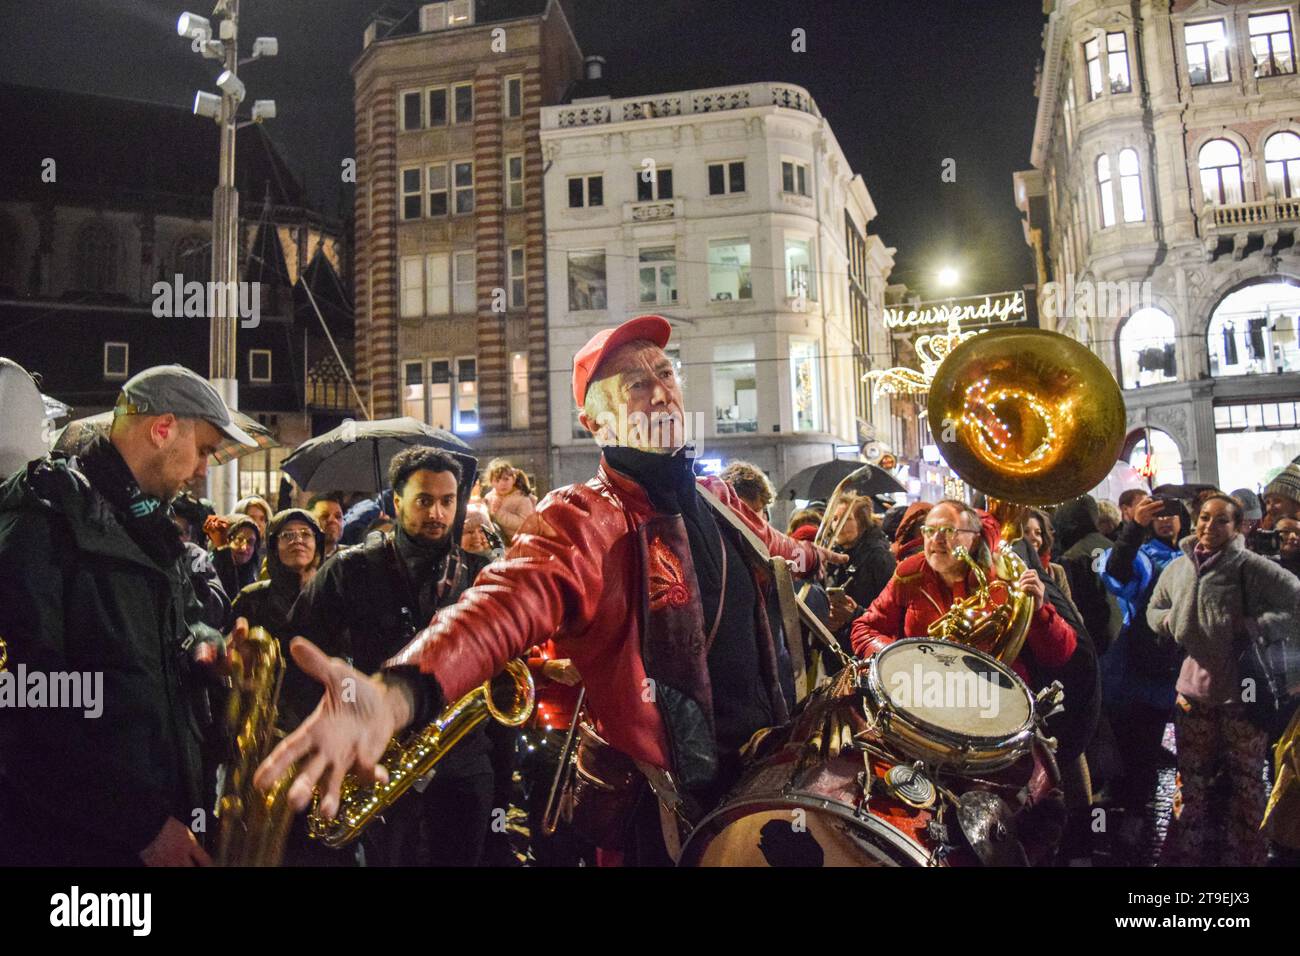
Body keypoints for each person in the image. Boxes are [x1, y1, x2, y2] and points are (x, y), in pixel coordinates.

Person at [256, 314, 841, 866]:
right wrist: (397, 693)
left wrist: (821, 556)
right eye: (635, 384)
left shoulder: (719, 495)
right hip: (673, 818)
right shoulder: (584, 516)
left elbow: (778, 549)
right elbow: (501, 604)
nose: (661, 392)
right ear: (595, 423)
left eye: (666, 373)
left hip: (765, 781)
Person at [0, 364, 258, 866]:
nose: (205, 469)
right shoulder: (40, 521)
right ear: (162, 430)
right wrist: (140, 825)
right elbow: (23, 716)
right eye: (203, 449)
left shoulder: (152, 530)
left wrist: (206, 648)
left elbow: (179, 628)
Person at [284, 445, 495, 867]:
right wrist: (344, 688)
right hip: (381, 760)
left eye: (447, 501)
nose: (437, 513)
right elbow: (300, 642)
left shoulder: (480, 571)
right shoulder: (351, 569)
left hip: (463, 760)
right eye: (424, 500)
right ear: (396, 503)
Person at [1147, 494, 1300, 866]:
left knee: (1247, 782)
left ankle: (1246, 856)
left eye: (1220, 521)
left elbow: (1295, 602)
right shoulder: (1179, 567)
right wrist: (1167, 623)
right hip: (1193, 693)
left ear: (1237, 527)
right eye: (1203, 518)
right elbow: (1155, 607)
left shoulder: (1251, 567)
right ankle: (1187, 854)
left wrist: (1254, 627)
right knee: (1190, 781)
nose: (1208, 527)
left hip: (1241, 696)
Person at [1097, 491, 1187, 862]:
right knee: (1130, 743)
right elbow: (1117, 571)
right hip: (1136, 665)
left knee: (1154, 748)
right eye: (1159, 514)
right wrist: (1133, 529)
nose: (1166, 520)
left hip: (1179, 665)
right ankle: (1125, 815)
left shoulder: (1192, 556)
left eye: (1172, 514)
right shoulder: (1145, 556)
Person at [824, 495, 895, 643]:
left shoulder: (879, 557)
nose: (838, 525)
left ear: (862, 523)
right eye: (835, 519)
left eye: (847, 519)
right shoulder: (833, 556)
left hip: (868, 643)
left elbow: (890, 612)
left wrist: (854, 614)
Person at [1015, 507, 1072, 602]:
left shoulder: (1056, 571)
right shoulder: (1011, 571)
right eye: (1026, 532)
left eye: (1038, 533)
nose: (1033, 538)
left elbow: (1069, 610)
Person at [209, 513, 262, 601]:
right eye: (239, 540)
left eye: (250, 542)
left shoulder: (252, 573)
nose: (244, 548)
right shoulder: (210, 568)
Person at [483, 458, 535, 544]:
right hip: (496, 543)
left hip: (519, 542)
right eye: (497, 480)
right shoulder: (489, 498)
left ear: (513, 480)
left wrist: (499, 513)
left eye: (506, 479)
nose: (502, 483)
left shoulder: (522, 498)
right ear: (491, 482)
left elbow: (526, 524)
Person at [1262, 461, 1300, 529]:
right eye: (1267, 502)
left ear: (1296, 503)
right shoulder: (1267, 529)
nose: (1270, 508)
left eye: (1277, 501)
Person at [308, 493, 345, 560]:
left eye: (338, 516)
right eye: (324, 516)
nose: (333, 521)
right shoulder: (300, 558)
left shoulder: (350, 558)